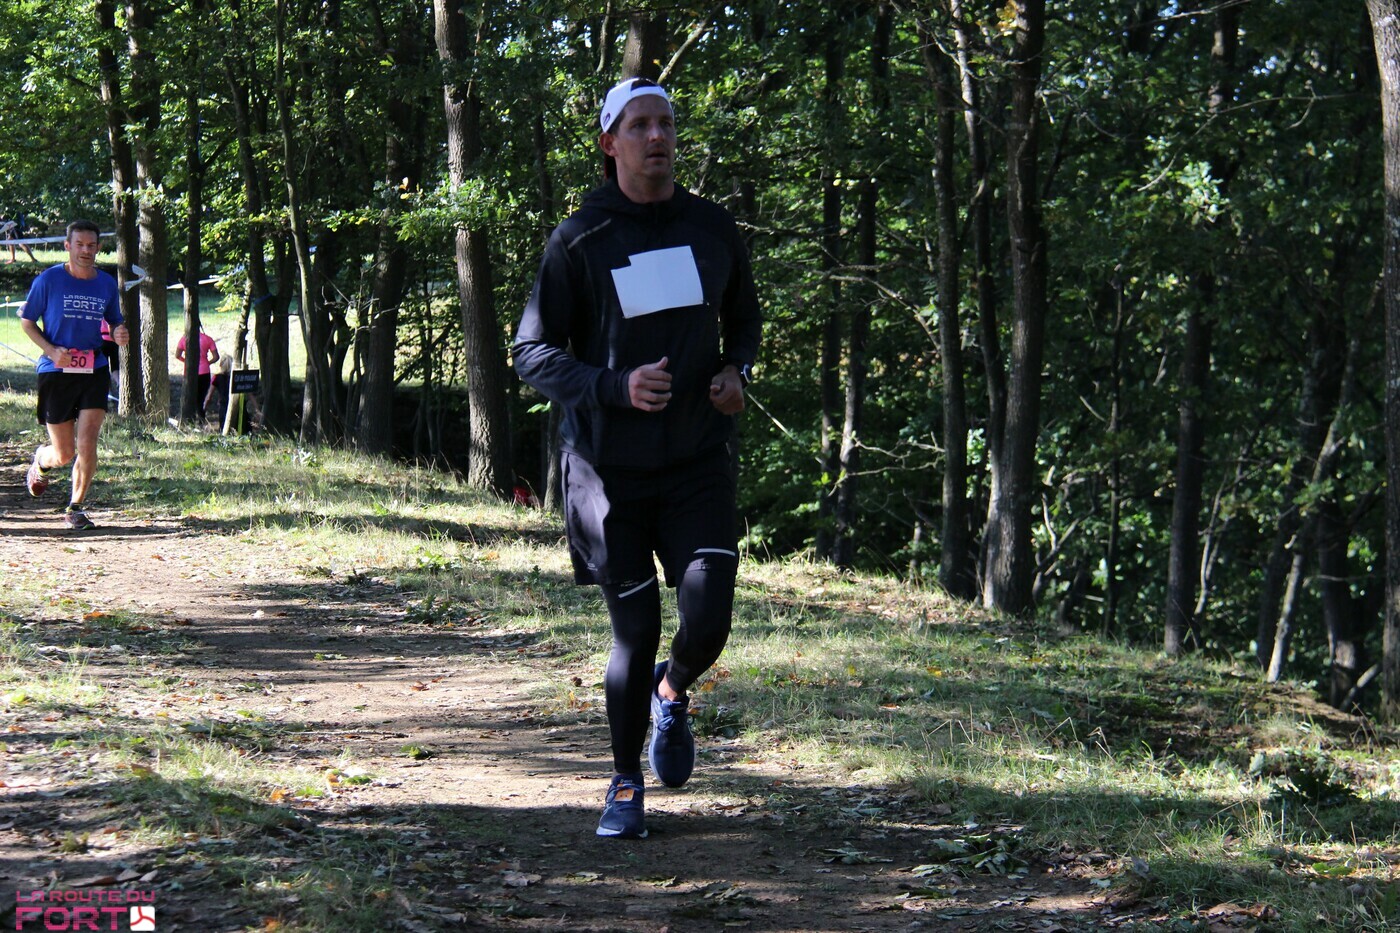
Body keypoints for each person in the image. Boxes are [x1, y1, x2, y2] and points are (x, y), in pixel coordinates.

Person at [513, 77, 761, 840]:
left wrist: (736, 371)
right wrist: (613, 386)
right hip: (606, 470)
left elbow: (745, 322)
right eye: (640, 125)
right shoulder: (580, 239)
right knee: (636, 629)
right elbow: (531, 352)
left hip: (696, 461)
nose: (658, 136)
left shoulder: (711, 227)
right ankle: (624, 783)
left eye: (667, 124)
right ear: (609, 142)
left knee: (708, 616)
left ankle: (673, 690)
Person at [20, 219, 127, 530]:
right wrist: (51, 350)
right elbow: (27, 321)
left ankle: (75, 508)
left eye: (91, 245)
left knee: (88, 441)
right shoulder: (49, 280)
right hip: (56, 370)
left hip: (94, 368)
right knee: (64, 453)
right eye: (79, 244)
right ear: (67, 246)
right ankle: (42, 462)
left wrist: (119, 332)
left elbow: (115, 320)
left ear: (98, 248)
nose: (85, 250)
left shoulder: (106, 283)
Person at [175, 326, 220, 422]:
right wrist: (207, 362)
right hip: (204, 371)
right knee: (202, 396)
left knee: (191, 395)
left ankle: (190, 417)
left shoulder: (184, 339)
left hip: (190, 372)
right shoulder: (208, 339)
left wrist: (186, 362)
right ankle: (201, 417)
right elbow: (216, 357)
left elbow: (177, 355)